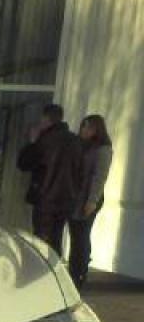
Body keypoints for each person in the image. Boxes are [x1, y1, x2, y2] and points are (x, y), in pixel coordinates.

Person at [17, 104, 83, 256]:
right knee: (56, 239)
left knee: (42, 241)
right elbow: (82, 172)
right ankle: (55, 270)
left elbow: (24, 163)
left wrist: (32, 142)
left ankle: (42, 274)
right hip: (67, 199)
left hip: (45, 197)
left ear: (46, 119)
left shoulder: (44, 141)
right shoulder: (75, 141)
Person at [68, 115, 113, 289]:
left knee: (82, 235)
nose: (84, 131)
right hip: (76, 196)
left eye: (88, 128)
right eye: (83, 127)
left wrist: (92, 200)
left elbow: (99, 177)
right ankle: (75, 268)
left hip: (88, 198)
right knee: (76, 235)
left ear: (97, 130)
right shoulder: (81, 146)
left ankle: (80, 270)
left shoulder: (103, 149)